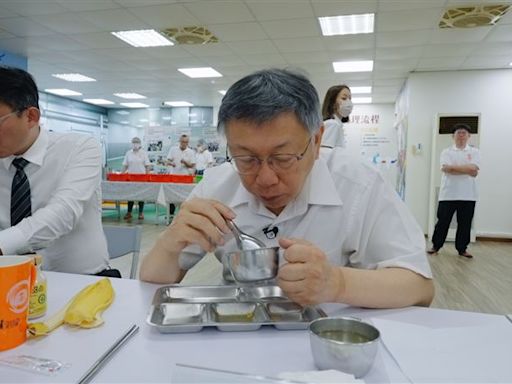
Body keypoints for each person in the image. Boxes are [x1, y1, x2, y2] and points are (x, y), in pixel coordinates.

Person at [140, 68, 433, 308]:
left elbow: (419, 286)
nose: (265, 179)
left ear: (316, 141)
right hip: (235, 332)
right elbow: (150, 284)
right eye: (246, 158)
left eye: (283, 158)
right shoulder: (217, 186)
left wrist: (337, 283)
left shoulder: (358, 185)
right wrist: (169, 242)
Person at [0, 66, 117, 276]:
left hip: (81, 281)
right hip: (10, 281)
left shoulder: (80, 148)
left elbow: (62, 213)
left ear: (31, 117)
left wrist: (3, 243)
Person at [427, 123, 480, 259]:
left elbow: (474, 171)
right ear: (453, 136)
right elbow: (446, 169)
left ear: (469, 136)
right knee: (442, 221)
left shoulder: (474, 152)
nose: (461, 135)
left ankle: (462, 249)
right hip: (448, 194)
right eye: (458, 133)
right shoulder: (446, 152)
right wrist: (466, 169)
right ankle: (436, 246)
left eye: (464, 133)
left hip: (468, 195)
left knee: (465, 223)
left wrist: (454, 168)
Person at [122, 136, 151, 220]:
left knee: (141, 196)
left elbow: (148, 166)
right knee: (130, 196)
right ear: (132, 144)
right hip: (131, 178)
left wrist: (147, 176)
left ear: (140, 144)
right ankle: (129, 212)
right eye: (134, 142)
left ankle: (141, 213)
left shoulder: (143, 153)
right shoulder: (128, 153)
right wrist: (121, 175)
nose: (135, 144)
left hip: (141, 178)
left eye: (137, 142)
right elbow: (125, 165)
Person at [166, 134, 196, 216]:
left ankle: (183, 215)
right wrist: (171, 163)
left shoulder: (191, 152)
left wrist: (185, 162)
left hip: (185, 178)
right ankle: (170, 214)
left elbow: (192, 165)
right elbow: (167, 161)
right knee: (171, 196)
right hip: (174, 176)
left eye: (186, 142)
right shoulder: (173, 149)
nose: (184, 144)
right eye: (182, 142)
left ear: (188, 142)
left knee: (184, 197)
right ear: (179, 141)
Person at [320, 85, 353, 149]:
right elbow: (323, 155)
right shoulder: (332, 124)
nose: (349, 102)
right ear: (333, 103)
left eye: (349, 98)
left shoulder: (337, 125)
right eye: (344, 98)